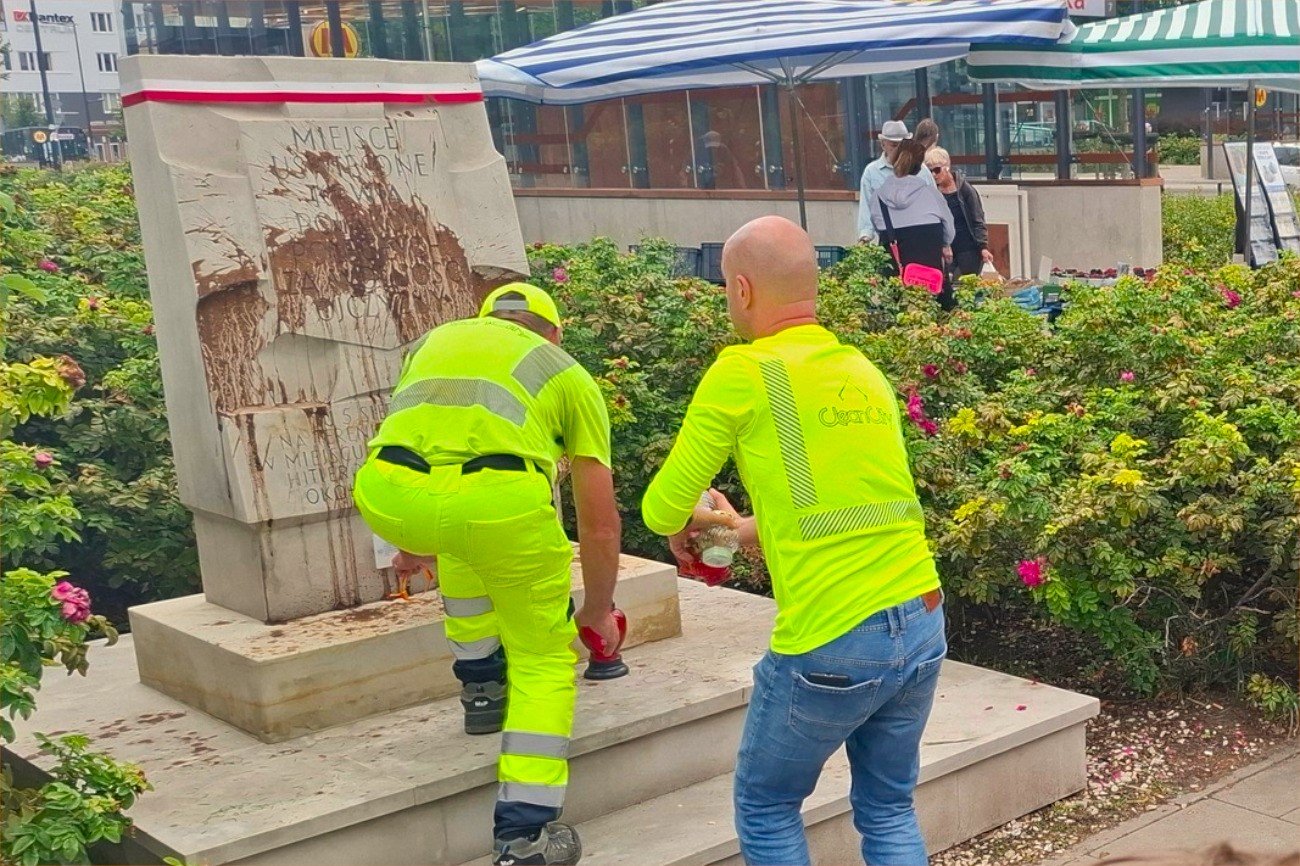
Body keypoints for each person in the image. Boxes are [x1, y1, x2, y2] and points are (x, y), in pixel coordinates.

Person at [642, 216, 946, 866]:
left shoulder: (744, 370)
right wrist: (730, 529)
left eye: (726, 286)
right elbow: (835, 517)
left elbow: (660, 505)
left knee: (767, 805)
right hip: (920, 622)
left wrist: (689, 525)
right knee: (889, 808)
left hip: (831, 640)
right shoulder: (860, 370)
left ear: (744, 290)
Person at [352, 282, 622, 866]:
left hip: (387, 492)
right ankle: (523, 840)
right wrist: (597, 611)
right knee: (544, 658)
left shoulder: (438, 342)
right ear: (552, 333)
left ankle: (479, 687)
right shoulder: (566, 372)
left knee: (463, 542)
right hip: (500, 503)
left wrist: (412, 542)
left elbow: (414, 436)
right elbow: (599, 525)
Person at [870, 138, 957, 309]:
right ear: (919, 166)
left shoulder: (878, 197)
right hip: (930, 282)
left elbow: (877, 227)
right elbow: (949, 234)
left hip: (896, 282)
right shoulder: (932, 195)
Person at [856, 119, 935, 244]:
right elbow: (866, 207)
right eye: (894, 145)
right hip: (889, 238)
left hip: (920, 237)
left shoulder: (922, 170)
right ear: (883, 145)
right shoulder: (872, 172)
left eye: (902, 145)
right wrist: (864, 237)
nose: (898, 150)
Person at [924, 146, 995, 280]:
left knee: (967, 286)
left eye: (937, 170)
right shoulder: (932, 193)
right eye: (930, 171)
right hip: (944, 249)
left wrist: (983, 246)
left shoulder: (965, 190)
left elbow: (978, 219)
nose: (934, 174)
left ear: (947, 167)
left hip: (967, 248)